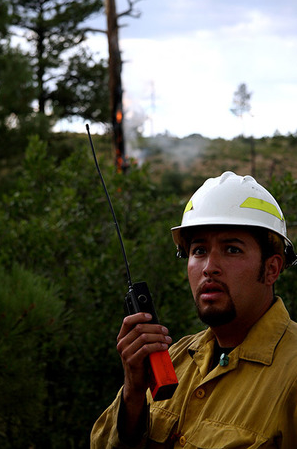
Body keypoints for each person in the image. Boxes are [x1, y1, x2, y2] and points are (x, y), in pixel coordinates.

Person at [90, 171, 297, 448]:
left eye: (232, 250)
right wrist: (133, 393)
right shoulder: (173, 360)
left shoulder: (292, 373)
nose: (209, 267)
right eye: (199, 250)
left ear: (272, 269)